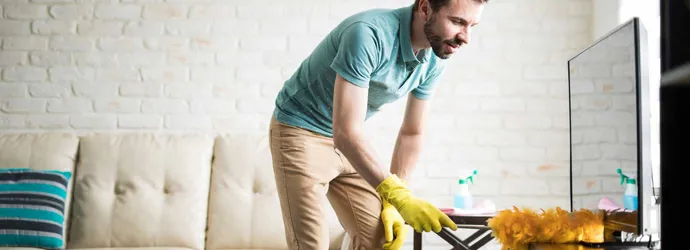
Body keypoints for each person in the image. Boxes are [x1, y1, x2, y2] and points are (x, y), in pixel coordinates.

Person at [268, 0, 487, 249]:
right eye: (457, 22)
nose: (466, 37)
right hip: (299, 131)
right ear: (425, 8)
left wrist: (394, 200)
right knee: (311, 244)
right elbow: (346, 132)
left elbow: (412, 133)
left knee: (381, 237)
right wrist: (400, 197)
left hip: (346, 138)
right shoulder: (367, 34)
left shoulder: (435, 57)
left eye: (472, 25)